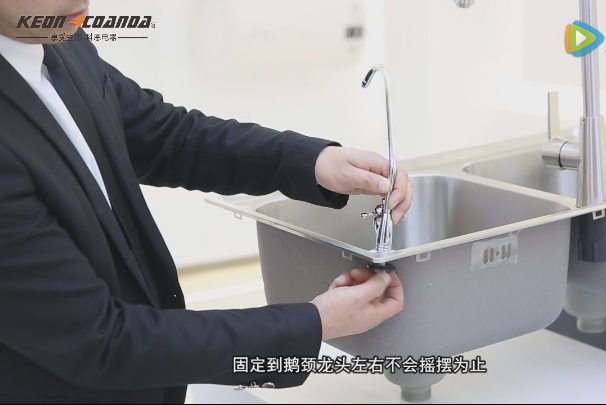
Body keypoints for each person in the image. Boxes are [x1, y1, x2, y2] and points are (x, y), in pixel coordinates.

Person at [0, 1, 413, 403]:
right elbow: (101, 341)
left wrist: (313, 163)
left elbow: (165, 137)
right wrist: (313, 324)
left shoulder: (58, 37)